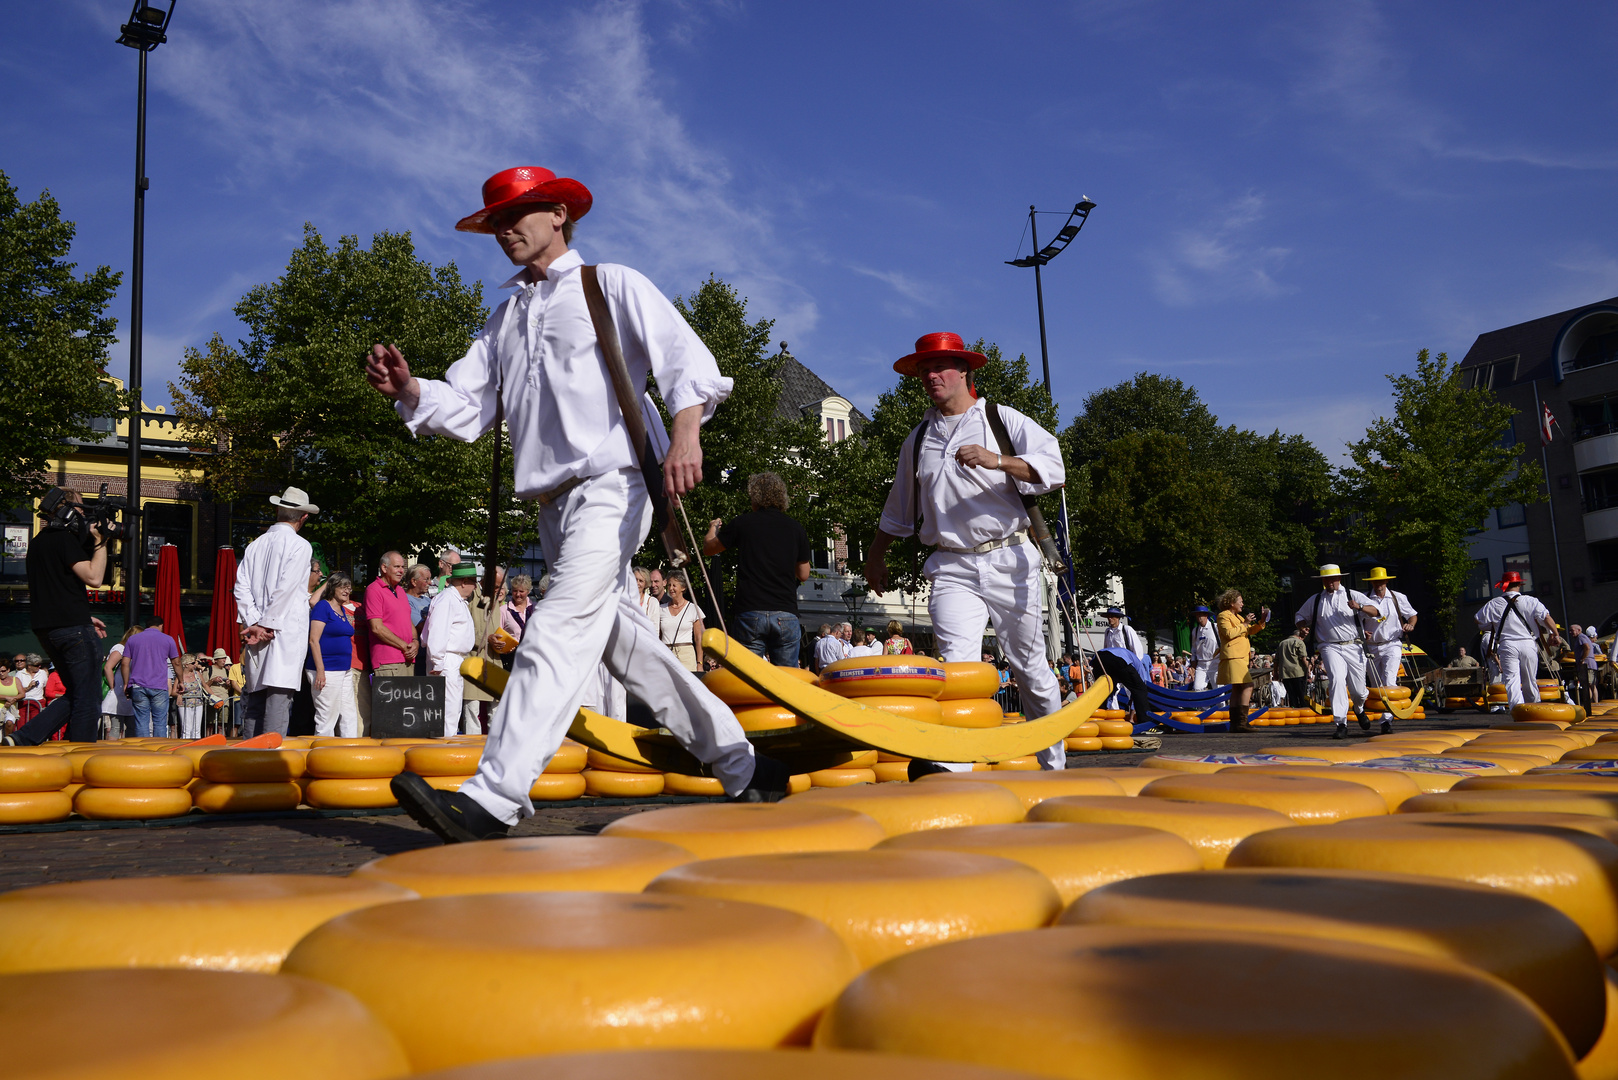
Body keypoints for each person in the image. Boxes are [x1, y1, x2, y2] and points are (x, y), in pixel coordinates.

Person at [365, 163, 778, 841]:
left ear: (559, 213)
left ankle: (494, 797)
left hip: (615, 486)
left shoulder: (609, 284)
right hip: (553, 506)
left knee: (555, 626)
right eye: (494, 222)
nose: (504, 231)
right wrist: (411, 391)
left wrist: (685, 436)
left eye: (515, 216)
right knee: (626, 646)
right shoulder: (505, 318)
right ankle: (743, 762)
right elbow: (468, 409)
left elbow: (687, 362)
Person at [863, 331, 1066, 775]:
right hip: (951, 563)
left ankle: (1054, 765)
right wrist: (875, 557)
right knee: (957, 669)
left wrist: (1000, 461)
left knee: (1029, 667)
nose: (930, 376)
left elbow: (1055, 469)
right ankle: (954, 771)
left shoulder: (1000, 418)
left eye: (938, 368)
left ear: (964, 371)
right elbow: (897, 509)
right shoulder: (917, 440)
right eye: (923, 371)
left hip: (1010, 556)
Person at [10, 488, 110, 745]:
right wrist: (101, 542)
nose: (82, 513)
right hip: (73, 629)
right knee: (88, 698)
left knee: (78, 693)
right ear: (65, 510)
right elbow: (94, 578)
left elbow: (54, 589)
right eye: (79, 508)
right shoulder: (64, 540)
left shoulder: (38, 542)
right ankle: (81, 758)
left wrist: (85, 618)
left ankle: (24, 737)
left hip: (48, 629)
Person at [233, 488, 319, 738]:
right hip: (282, 631)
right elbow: (287, 588)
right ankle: (269, 762)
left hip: (257, 631)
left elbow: (241, 587)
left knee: (256, 700)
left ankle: (248, 759)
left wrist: (254, 623)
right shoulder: (300, 546)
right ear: (303, 518)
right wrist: (266, 625)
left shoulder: (255, 545)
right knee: (278, 700)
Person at [702, 471, 812, 666]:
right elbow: (804, 574)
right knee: (786, 681)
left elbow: (709, 548)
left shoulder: (743, 523)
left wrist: (713, 528)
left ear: (755, 496)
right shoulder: (796, 528)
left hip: (750, 610)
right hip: (785, 611)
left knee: (749, 680)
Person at [1296, 563, 1382, 738]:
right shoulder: (1316, 600)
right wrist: (1302, 627)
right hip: (1329, 646)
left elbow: (1376, 611)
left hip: (1354, 645)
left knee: (1358, 691)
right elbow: (1299, 616)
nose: (1329, 583)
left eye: (1332, 579)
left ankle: (1358, 708)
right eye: (1325, 579)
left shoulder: (1352, 595)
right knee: (1336, 679)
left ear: (1339, 578)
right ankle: (1341, 722)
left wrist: (1359, 607)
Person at [1475, 571, 1558, 709]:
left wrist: (1492, 624)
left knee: (1512, 681)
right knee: (1530, 680)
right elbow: (1546, 618)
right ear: (1519, 584)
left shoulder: (1494, 603)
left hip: (1507, 645)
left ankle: (1517, 711)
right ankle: (1534, 709)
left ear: (1503, 585)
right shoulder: (1531, 601)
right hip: (1528, 643)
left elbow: (1478, 620)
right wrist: (1555, 634)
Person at [426, 564, 479, 737]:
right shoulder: (447, 599)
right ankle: (443, 747)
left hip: (453, 658)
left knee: (453, 707)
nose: (475, 587)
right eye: (473, 582)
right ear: (464, 582)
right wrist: (438, 661)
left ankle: (447, 742)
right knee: (448, 708)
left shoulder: (455, 600)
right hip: (447, 659)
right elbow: (437, 632)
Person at [307, 572, 360, 738]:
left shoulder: (341, 610)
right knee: (327, 716)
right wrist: (320, 670)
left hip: (344, 669)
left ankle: (349, 752)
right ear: (333, 587)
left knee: (349, 713)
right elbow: (314, 640)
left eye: (348, 587)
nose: (347, 590)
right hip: (327, 669)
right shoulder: (323, 606)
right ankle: (322, 757)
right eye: (342, 587)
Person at [1215, 588, 1269, 733]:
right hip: (1233, 656)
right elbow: (1228, 633)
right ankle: (1242, 722)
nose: (1242, 604)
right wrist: (1244, 623)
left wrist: (1261, 621)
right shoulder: (1223, 616)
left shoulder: (1238, 617)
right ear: (1232, 602)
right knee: (1248, 686)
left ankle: (1236, 723)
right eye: (1240, 601)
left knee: (1238, 688)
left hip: (1240, 657)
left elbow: (1250, 630)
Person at [1362, 567, 1417, 694]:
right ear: (1371, 582)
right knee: (1375, 683)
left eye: (1381, 581)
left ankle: (1388, 714)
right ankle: (1381, 711)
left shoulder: (1397, 597)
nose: (1378, 584)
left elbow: (1412, 615)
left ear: (1386, 581)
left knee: (1389, 680)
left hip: (1392, 644)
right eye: (1375, 581)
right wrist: (1361, 632)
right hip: (1371, 647)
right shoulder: (1364, 599)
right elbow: (1356, 620)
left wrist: (1411, 625)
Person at [121, 624, 180, 739]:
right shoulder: (167, 639)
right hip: (159, 686)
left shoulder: (132, 639)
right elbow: (176, 662)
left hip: (138, 685)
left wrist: (125, 683)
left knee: (141, 721)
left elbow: (125, 663)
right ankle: (159, 751)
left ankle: (143, 752)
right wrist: (181, 681)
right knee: (160, 722)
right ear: (161, 626)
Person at [366, 551, 418, 677]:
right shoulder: (374, 590)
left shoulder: (400, 591)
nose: (401, 571)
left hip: (408, 660)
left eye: (402, 567)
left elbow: (407, 620)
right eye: (396, 567)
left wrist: (416, 642)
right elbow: (377, 628)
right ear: (384, 568)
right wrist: (404, 646)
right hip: (388, 661)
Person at [659, 572, 706, 672]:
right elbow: (657, 636)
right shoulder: (661, 609)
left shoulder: (693, 609)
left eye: (674, 585)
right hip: (666, 655)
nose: (671, 588)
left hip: (687, 657)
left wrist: (699, 663)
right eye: (669, 585)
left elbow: (699, 639)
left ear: (683, 588)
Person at [101, 625, 140, 739]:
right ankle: (112, 752)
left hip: (128, 690)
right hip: (119, 689)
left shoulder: (133, 650)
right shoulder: (120, 648)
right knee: (116, 727)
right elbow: (108, 667)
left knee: (131, 726)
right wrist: (112, 686)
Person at [1276, 626, 1311, 708]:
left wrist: (1275, 672)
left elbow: (1276, 660)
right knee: (1301, 694)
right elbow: (1303, 658)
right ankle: (1303, 712)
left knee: (1291, 695)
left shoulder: (1282, 643)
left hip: (1285, 673)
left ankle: (1294, 712)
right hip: (1298, 672)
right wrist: (1308, 669)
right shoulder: (1299, 642)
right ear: (1299, 636)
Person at [175, 655, 208, 740]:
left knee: (196, 729)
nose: (195, 665)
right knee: (186, 728)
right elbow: (173, 691)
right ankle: (185, 747)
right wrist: (178, 695)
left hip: (198, 703)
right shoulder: (179, 677)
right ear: (186, 665)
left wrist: (214, 696)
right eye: (193, 663)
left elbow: (205, 686)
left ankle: (197, 747)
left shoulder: (197, 674)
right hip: (184, 704)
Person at [1186, 606, 1219, 691]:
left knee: (1218, 690)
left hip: (1215, 662)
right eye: (1197, 615)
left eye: (1201, 614)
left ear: (1206, 615)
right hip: (1201, 664)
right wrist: (1193, 664)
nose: (1199, 617)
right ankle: (1205, 705)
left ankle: (1222, 704)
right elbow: (1193, 649)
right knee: (1197, 688)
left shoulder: (1216, 627)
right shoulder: (1195, 631)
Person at [204, 648, 234, 736]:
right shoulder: (209, 669)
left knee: (222, 725)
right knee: (210, 725)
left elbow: (229, 689)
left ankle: (221, 743)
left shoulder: (226, 671)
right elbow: (204, 686)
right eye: (222, 658)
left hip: (225, 701)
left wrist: (228, 684)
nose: (224, 660)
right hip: (213, 701)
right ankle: (208, 742)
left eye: (224, 658)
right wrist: (213, 680)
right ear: (216, 660)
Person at [502, 573, 536, 644]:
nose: (517, 594)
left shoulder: (535, 608)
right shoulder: (504, 610)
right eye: (515, 591)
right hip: (512, 653)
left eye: (521, 591)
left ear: (528, 591)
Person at [1572, 623, 1601, 706]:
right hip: (1588, 664)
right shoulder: (1582, 637)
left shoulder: (1581, 637)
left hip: (1587, 665)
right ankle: (1592, 704)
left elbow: (1587, 647)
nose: (1570, 632)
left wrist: (1582, 659)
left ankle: (1592, 704)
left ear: (1578, 630)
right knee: (1590, 685)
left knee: (1589, 685)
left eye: (1572, 630)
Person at [406, 564, 434, 633]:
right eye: (426, 579)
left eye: (430, 579)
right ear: (414, 581)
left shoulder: (428, 600)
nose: (430, 583)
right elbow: (421, 627)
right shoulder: (406, 600)